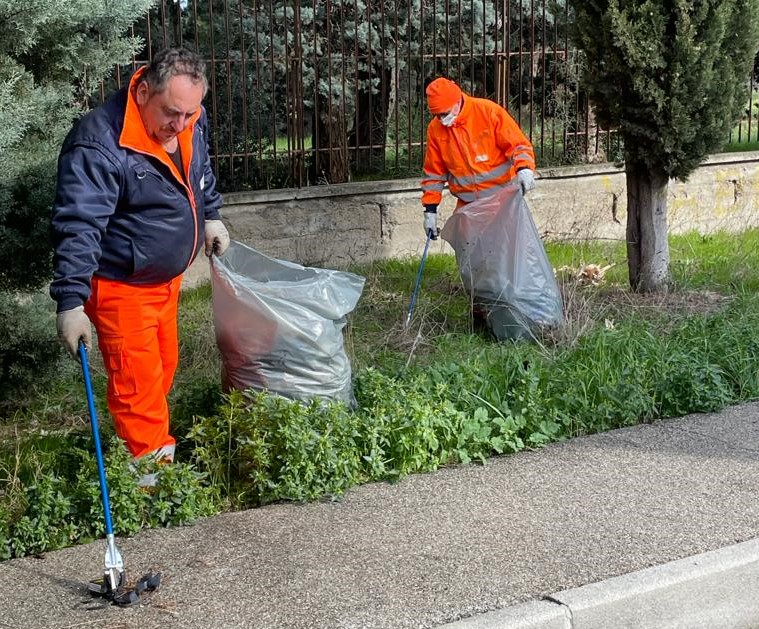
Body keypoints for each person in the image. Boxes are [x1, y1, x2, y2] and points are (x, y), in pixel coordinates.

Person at [50, 48, 229, 478]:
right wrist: (71, 302)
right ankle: (154, 487)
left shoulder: (184, 119)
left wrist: (212, 214)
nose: (181, 125)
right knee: (139, 388)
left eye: (191, 113)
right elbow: (79, 225)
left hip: (163, 284)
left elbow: (197, 173)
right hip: (120, 289)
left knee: (162, 369)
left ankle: (138, 452)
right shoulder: (99, 143)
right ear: (143, 91)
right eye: (172, 113)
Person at [420, 77, 536, 240]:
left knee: (508, 253)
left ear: (457, 101)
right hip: (469, 206)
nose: (441, 119)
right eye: (436, 115)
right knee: (473, 257)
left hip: (503, 201)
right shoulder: (435, 129)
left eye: (444, 114)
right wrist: (430, 210)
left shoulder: (488, 112)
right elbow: (434, 173)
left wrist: (524, 169)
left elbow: (518, 145)